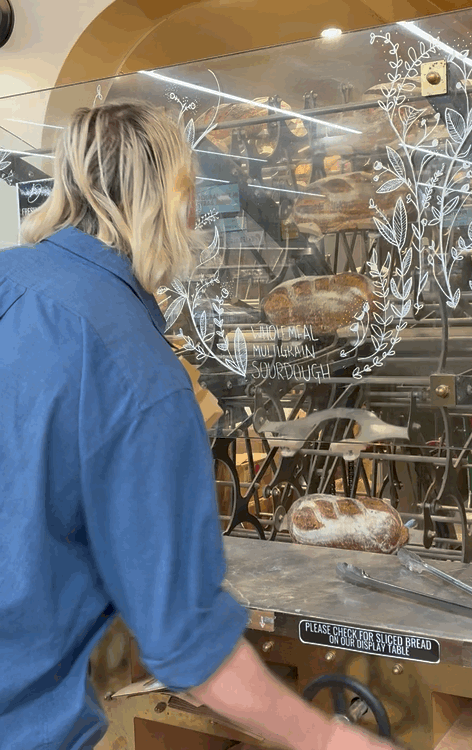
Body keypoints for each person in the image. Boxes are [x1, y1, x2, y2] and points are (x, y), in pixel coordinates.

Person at [0, 102, 400, 750]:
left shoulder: (8, 281)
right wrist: (329, 741)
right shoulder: (136, 372)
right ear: (174, 201)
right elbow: (188, 643)